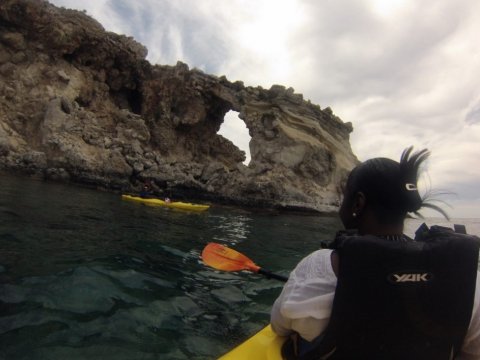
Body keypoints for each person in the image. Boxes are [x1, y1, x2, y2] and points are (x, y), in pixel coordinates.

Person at [270, 147, 480, 359]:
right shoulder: (465, 275)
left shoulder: (320, 265)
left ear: (358, 203)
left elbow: (279, 326)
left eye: (345, 196)